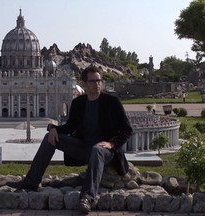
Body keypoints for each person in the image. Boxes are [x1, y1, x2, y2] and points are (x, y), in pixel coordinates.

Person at [14, 65, 133, 214]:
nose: (97, 84)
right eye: (93, 81)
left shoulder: (112, 102)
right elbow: (70, 127)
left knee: (97, 149)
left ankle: (87, 198)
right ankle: (30, 183)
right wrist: (53, 129)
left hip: (106, 152)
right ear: (84, 84)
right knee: (49, 138)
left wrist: (112, 143)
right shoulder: (78, 103)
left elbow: (127, 130)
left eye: (99, 80)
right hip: (84, 148)